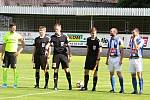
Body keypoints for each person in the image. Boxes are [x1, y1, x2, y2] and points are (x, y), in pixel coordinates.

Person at [46, 23, 72, 91]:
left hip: (64, 55)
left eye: (57, 29)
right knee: (55, 70)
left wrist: (70, 55)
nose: (56, 31)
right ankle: (55, 86)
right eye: (55, 29)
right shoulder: (52, 37)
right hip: (56, 56)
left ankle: (70, 85)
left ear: (60, 29)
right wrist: (46, 48)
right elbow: (48, 44)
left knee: (67, 70)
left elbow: (69, 46)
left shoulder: (65, 37)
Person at [1, 23, 25, 88]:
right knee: (4, 69)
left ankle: (15, 83)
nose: (14, 29)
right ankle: (5, 83)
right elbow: (4, 45)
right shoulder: (6, 35)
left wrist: (18, 52)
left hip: (13, 54)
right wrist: (2, 55)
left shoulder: (17, 35)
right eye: (13, 28)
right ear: (10, 28)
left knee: (14, 69)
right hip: (6, 54)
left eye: (15, 28)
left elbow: (23, 44)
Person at [81, 27, 102, 91]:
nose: (93, 34)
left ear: (96, 33)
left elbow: (100, 50)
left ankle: (94, 87)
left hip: (95, 58)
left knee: (95, 72)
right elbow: (87, 48)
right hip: (88, 58)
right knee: (86, 71)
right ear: (90, 33)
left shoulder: (98, 40)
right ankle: (85, 86)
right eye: (92, 33)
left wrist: (98, 59)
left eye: (94, 33)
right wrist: (87, 56)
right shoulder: (88, 39)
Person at [105, 28, 124, 93]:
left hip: (117, 58)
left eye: (111, 31)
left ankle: (122, 89)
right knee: (111, 73)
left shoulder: (120, 40)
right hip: (111, 58)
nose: (110, 32)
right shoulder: (109, 40)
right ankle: (113, 88)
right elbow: (109, 50)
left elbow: (122, 51)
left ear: (115, 32)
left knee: (119, 73)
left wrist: (121, 60)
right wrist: (107, 59)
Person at [129, 28, 144, 94]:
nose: (133, 33)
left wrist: (134, 40)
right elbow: (131, 48)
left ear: (137, 33)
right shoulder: (131, 39)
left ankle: (141, 90)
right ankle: (135, 90)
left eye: (134, 32)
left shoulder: (141, 40)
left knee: (139, 74)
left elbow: (137, 48)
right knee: (133, 75)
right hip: (132, 58)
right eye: (132, 32)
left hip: (138, 59)